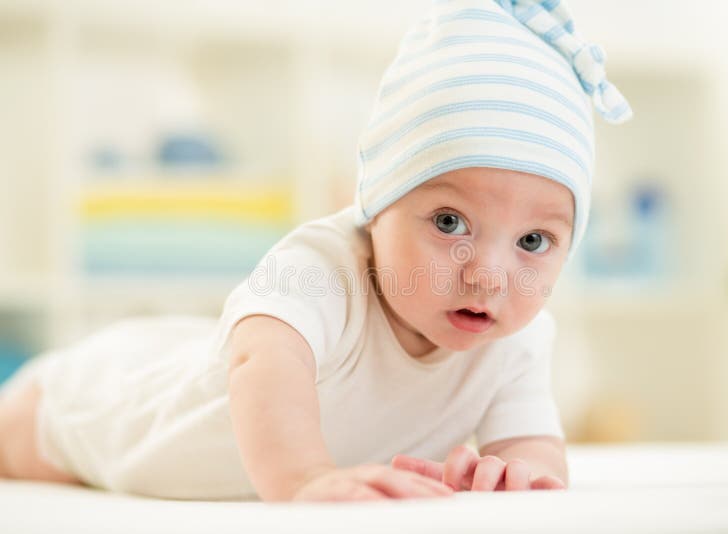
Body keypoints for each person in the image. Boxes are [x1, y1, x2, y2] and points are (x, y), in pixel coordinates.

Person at [0, 0, 631, 502]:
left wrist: (518, 474)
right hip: (96, 413)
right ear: (377, 202)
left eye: (533, 241)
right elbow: (264, 368)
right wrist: (303, 477)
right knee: (24, 441)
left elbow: (530, 442)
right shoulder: (323, 272)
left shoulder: (518, 339)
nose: (489, 274)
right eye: (449, 221)